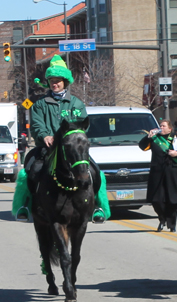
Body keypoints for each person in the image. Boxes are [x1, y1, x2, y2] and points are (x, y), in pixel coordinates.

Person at [13, 55, 109, 223]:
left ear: (65, 81)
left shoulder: (76, 104)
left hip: (72, 149)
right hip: (48, 148)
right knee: (31, 169)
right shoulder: (40, 104)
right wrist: (44, 136)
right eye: (51, 80)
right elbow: (36, 125)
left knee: (95, 170)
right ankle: (25, 204)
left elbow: (82, 125)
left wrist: (72, 139)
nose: (54, 83)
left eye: (57, 80)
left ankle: (98, 206)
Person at [139, 120, 177, 232]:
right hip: (157, 172)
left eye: (163, 126)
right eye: (160, 126)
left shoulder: (176, 137)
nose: (161, 127)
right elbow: (142, 146)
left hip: (173, 172)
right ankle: (162, 219)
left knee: (172, 200)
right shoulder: (155, 138)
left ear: (170, 129)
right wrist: (148, 137)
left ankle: (172, 224)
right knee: (156, 200)